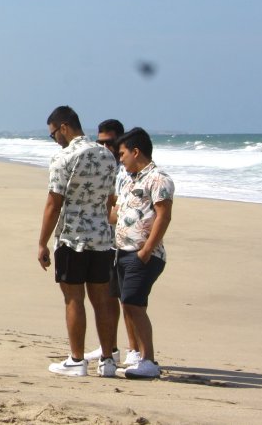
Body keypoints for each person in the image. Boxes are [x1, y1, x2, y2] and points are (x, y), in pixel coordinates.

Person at [37, 106, 120, 377]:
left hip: (73, 237)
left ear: (63, 127)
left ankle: (77, 359)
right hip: (101, 237)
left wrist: (42, 242)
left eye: (53, 135)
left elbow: (54, 202)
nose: (55, 140)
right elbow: (111, 199)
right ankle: (107, 359)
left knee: (73, 299)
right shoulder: (107, 156)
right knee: (101, 299)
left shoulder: (63, 157)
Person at [110, 127, 173, 379]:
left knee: (134, 304)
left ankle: (149, 360)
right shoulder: (129, 181)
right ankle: (136, 353)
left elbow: (164, 215)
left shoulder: (158, 179)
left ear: (136, 152)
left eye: (122, 153)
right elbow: (115, 215)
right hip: (122, 252)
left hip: (143, 253)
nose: (120, 159)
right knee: (128, 303)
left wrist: (146, 251)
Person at [82, 119, 140, 367]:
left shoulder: (128, 169)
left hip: (126, 240)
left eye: (109, 142)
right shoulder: (101, 167)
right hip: (105, 239)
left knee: (128, 298)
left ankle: (134, 349)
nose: (105, 146)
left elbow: (123, 205)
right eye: (100, 142)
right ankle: (111, 347)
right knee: (106, 295)